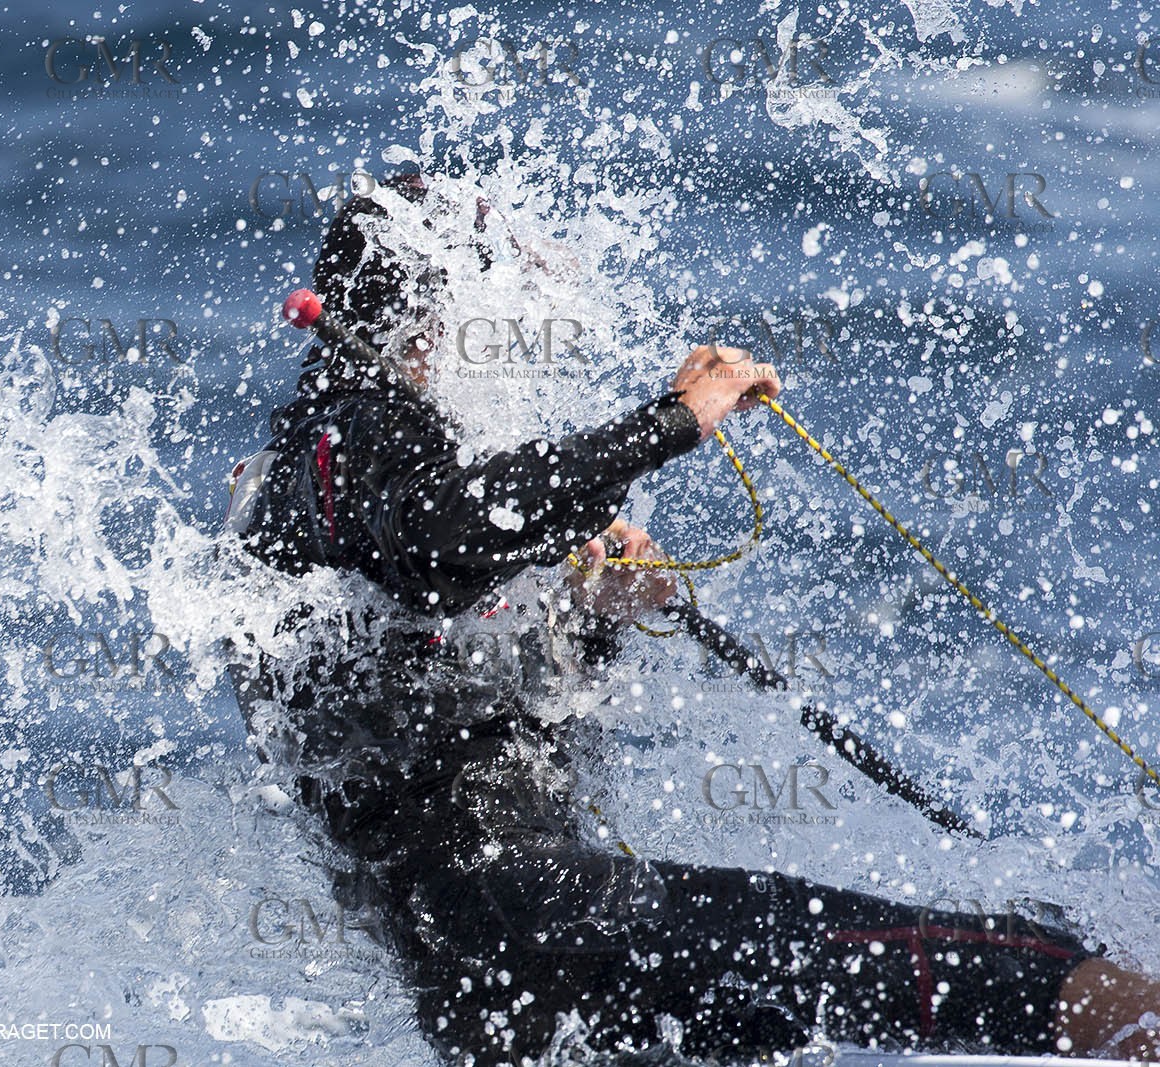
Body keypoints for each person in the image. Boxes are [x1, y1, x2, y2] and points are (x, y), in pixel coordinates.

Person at [224, 173, 1160, 1065]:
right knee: (1000, 964)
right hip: (537, 925)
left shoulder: (345, 467)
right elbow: (445, 536)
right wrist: (670, 421)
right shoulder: (344, 435)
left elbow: (470, 708)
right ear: (430, 318)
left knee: (994, 955)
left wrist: (590, 616)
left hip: (515, 964)